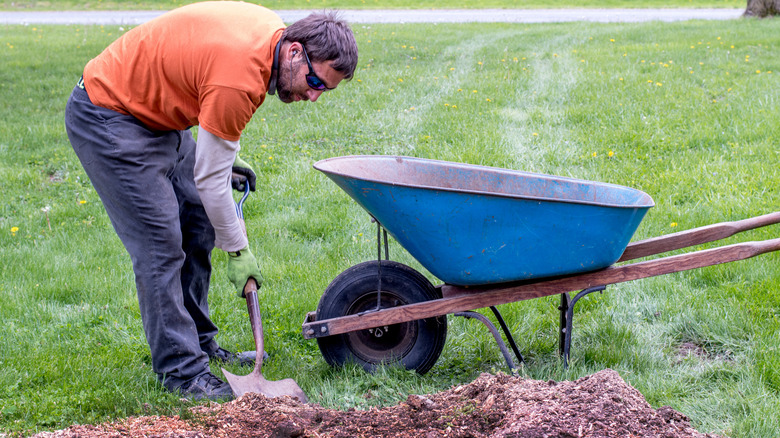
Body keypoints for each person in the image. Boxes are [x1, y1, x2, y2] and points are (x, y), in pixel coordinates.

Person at [64, 1, 358, 401]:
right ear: (294, 51)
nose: (314, 97)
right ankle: (181, 372)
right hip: (111, 116)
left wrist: (222, 155)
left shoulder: (272, 34)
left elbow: (202, 83)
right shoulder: (241, 78)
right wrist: (238, 251)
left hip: (157, 116)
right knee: (161, 246)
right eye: (316, 83)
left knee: (198, 221)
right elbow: (211, 178)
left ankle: (200, 343)